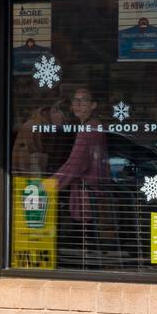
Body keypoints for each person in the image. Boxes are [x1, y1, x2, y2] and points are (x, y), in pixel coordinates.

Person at [52, 86, 108, 225]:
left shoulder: (88, 130)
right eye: (75, 100)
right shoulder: (94, 126)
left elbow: (74, 166)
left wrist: (48, 185)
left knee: (85, 238)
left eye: (83, 100)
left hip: (87, 199)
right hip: (94, 196)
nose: (77, 104)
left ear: (93, 105)